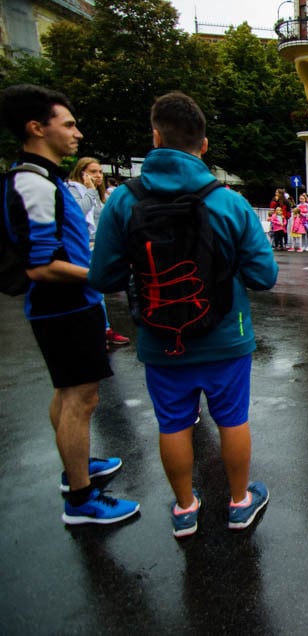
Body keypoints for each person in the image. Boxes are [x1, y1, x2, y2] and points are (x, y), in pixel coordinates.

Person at [89, 91, 278, 537]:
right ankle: (238, 502)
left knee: (173, 422)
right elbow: (264, 275)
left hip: (160, 337)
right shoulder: (227, 201)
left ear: (155, 136)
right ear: (204, 145)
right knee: (232, 419)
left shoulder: (123, 200)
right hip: (225, 335)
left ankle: (186, 508)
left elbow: (104, 276)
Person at [0, 83, 140, 524]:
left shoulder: (41, 179)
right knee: (82, 398)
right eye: (69, 124)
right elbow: (41, 265)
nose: (77, 133)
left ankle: (75, 469)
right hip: (64, 307)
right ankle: (81, 500)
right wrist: (104, 276)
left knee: (68, 394)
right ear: (37, 128)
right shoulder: (35, 183)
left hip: (61, 306)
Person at [67, 157, 130, 348]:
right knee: (92, 290)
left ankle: (102, 329)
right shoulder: (72, 191)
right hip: (82, 246)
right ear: (81, 172)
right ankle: (101, 331)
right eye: (93, 171)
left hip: (97, 245)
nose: (98, 176)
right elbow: (78, 213)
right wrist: (90, 191)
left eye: (100, 172)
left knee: (96, 292)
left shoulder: (100, 194)